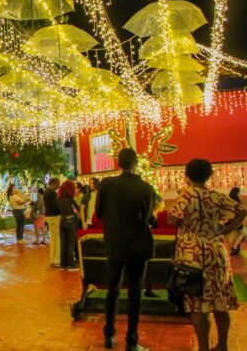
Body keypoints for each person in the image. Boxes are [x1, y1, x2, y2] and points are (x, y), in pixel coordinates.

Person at [168, 159, 247, 351]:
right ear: (209, 176)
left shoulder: (186, 195)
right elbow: (242, 212)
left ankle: (203, 347)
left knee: (197, 304)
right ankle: (222, 344)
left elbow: (171, 218)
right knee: (219, 300)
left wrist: (185, 225)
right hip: (216, 251)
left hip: (192, 254)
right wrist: (222, 231)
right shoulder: (216, 196)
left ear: (187, 175)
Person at [95, 148, 155, 351]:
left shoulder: (106, 185)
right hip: (138, 245)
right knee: (135, 293)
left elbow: (99, 213)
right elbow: (147, 218)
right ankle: (131, 341)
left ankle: (109, 335)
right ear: (136, 163)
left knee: (113, 290)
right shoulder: (146, 188)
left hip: (114, 244)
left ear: (118, 162)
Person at [56, 180, 80, 271]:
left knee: (63, 243)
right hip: (70, 221)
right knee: (70, 243)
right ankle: (71, 264)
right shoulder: (70, 198)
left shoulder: (58, 198)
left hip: (62, 221)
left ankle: (63, 264)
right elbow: (77, 208)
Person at [43, 178, 61, 267]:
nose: (58, 186)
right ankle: (57, 260)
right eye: (58, 184)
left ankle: (52, 259)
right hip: (55, 216)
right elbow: (55, 206)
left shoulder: (46, 191)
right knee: (58, 238)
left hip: (48, 216)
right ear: (54, 183)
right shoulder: (52, 193)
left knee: (53, 238)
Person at [228, 187, 247, 255]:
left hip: (234, 221)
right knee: (243, 232)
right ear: (236, 194)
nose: (240, 194)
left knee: (237, 234)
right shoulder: (235, 202)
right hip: (235, 221)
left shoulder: (231, 201)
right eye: (239, 193)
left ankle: (234, 249)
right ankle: (234, 247)